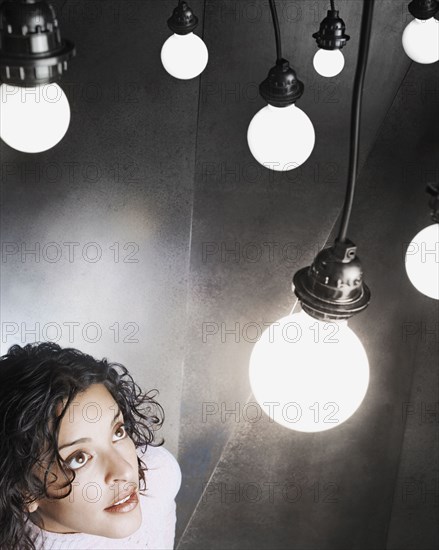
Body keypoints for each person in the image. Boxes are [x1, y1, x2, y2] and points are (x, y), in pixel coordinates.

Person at [0, 342, 181, 550]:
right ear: (25, 491)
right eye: (79, 458)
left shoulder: (159, 475)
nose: (125, 470)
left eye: (118, 432)